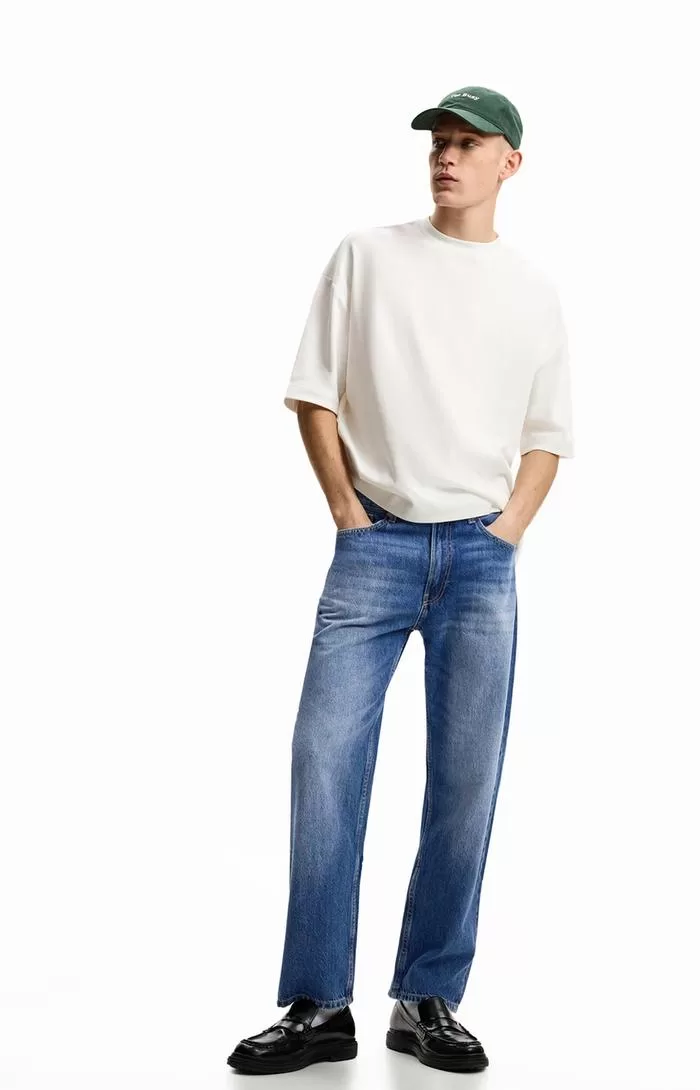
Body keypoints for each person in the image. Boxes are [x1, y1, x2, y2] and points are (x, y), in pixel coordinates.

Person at [227, 84, 574, 1076]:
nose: (446, 157)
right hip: (373, 544)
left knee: (466, 781)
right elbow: (313, 392)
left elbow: (548, 435)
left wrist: (506, 532)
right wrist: (347, 512)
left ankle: (427, 999)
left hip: (480, 558)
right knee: (324, 761)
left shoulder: (532, 291)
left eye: (468, 144)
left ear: (511, 163)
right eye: (438, 142)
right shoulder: (367, 256)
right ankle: (317, 1004)